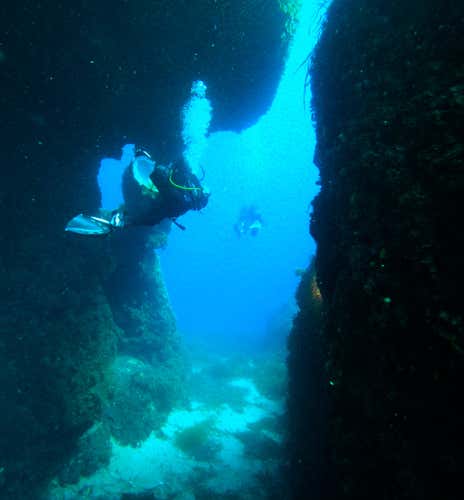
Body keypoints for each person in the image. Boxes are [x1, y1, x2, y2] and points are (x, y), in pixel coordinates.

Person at [65, 147, 209, 235]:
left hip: (155, 193)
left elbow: (162, 193)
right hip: (155, 194)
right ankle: (116, 221)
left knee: (147, 217)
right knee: (148, 217)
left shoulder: (181, 199)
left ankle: (115, 222)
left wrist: (145, 160)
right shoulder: (185, 191)